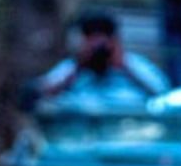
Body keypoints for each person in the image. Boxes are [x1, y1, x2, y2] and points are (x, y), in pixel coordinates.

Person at [32, 9, 170, 106]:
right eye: (91, 38)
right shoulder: (71, 68)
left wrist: (124, 66)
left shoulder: (134, 65)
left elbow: (163, 93)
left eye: (103, 37)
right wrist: (79, 66)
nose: (97, 46)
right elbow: (41, 93)